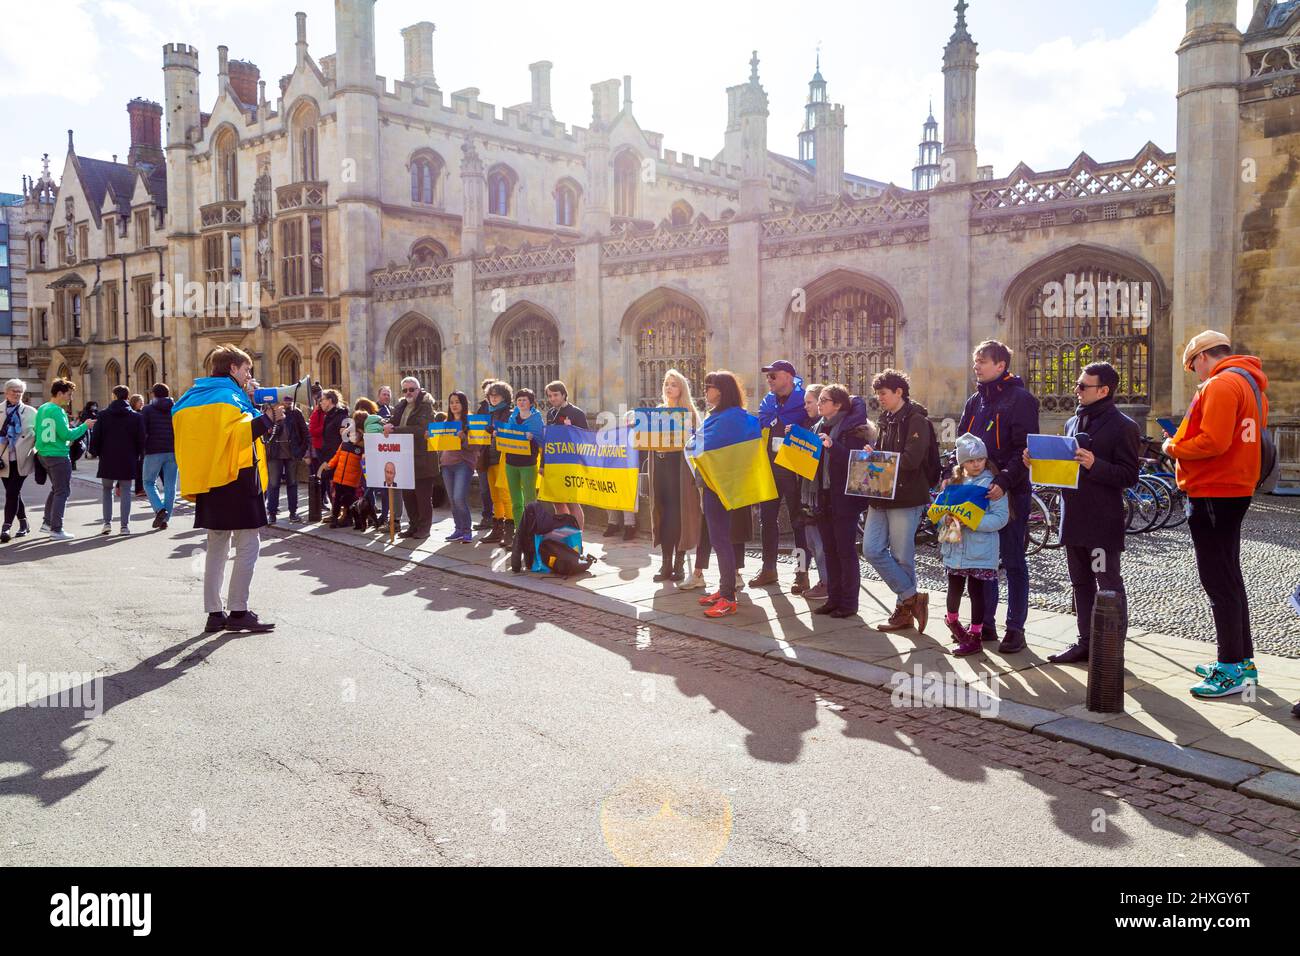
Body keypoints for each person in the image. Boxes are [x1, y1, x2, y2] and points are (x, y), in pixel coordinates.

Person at [1164, 331, 1269, 699]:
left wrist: (1172, 445)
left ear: (1204, 357)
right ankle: (1243, 661)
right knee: (1230, 576)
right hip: (1232, 488)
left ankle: (1229, 668)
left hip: (1213, 489)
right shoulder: (1249, 384)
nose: (1196, 375)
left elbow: (1213, 441)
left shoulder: (1221, 384)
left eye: (1194, 366)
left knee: (1218, 581)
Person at [1027, 361, 1140, 665]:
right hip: (1073, 517)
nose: (1076, 390)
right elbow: (1062, 472)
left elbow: (1130, 475)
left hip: (1102, 521)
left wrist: (1095, 464)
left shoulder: (1124, 426)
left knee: (1108, 584)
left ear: (1104, 390)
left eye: (1082, 386)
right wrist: (1035, 463)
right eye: (1077, 384)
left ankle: (1111, 648)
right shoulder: (1071, 423)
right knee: (1080, 583)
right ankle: (1085, 643)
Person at [172, 344, 283, 633]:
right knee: (248, 544)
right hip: (237, 478)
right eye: (246, 369)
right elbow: (238, 436)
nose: (249, 376)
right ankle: (238, 610)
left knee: (216, 546)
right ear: (233, 368)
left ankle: (213, 613)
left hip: (209, 480)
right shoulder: (229, 397)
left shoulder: (190, 397)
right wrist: (269, 419)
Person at [959, 340, 1040, 653]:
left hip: (1010, 492)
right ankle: (985, 624)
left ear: (1001, 365)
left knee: (1014, 561)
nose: (976, 366)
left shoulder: (1021, 400)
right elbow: (963, 446)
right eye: (976, 360)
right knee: (983, 561)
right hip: (977, 492)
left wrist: (1004, 481)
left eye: (982, 361)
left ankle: (1015, 628)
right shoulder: (974, 401)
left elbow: (1024, 449)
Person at [690, 370, 774, 618]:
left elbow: (704, 448)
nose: (705, 391)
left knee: (721, 540)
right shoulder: (727, 416)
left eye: (709, 386)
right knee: (719, 540)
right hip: (722, 484)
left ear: (722, 391)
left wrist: (692, 441)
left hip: (721, 486)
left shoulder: (728, 419)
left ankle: (728, 597)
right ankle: (725, 587)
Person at [861, 369, 938, 633]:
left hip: (906, 496)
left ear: (899, 392)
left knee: (902, 557)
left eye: (883, 393)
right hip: (881, 494)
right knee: (871, 549)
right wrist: (873, 455)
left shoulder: (916, 420)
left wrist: (881, 460)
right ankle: (911, 596)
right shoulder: (885, 419)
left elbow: (911, 460)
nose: (879, 398)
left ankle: (903, 612)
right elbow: (891, 457)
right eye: (877, 394)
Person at [807, 385, 876, 619]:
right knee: (829, 550)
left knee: (845, 551)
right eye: (820, 400)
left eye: (825, 400)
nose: (820, 404)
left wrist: (832, 445)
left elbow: (857, 462)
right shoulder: (818, 426)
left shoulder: (853, 430)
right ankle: (833, 599)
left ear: (837, 405)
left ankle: (849, 602)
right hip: (824, 497)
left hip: (844, 499)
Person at [940, 434, 1010, 656]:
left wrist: (973, 520)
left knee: (977, 592)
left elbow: (1000, 518)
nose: (977, 464)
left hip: (981, 549)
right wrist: (946, 518)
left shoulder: (992, 485)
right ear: (962, 463)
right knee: (954, 588)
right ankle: (953, 623)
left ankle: (975, 635)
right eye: (971, 461)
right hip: (956, 547)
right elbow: (940, 511)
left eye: (980, 459)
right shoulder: (954, 482)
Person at [752, 360, 809, 591]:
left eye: (773, 376)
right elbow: (762, 420)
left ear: (788, 376)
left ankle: (802, 572)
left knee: (799, 522)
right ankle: (768, 569)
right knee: (767, 520)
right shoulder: (768, 401)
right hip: (770, 466)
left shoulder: (803, 400)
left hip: (794, 468)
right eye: (768, 376)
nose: (769, 380)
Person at [648, 370, 702, 583]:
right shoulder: (657, 411)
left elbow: (698, 445)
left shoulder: (689, 413)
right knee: (661, 514)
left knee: (678, 516)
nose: (669, 388)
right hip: (660, 468)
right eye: (666, 384)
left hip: (679, 470)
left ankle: (679, 563)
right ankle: (665, 563)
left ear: (682, 389)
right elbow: (646, 442)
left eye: (674, 384)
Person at [34, 379, 93, 540]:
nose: (70, 398)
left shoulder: (42, 408)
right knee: (62, 491)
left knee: (56, 489)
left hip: (43, 454)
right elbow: (67, 434)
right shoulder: (57, 411)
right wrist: (84, 426)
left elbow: (36, 431)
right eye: (69, 394)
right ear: (59, 393)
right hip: (58, 455)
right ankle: (56, 529)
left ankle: (48, 523)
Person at [384, 376, 437, 539]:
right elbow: (393, 422)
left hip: (423, 458)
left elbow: (421, 430)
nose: (408, 392)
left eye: (411, 389)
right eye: (405, 390)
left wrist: (396, 430)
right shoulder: (401, 406)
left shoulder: (426, 406)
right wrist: (386, 425)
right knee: (408, 496)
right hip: (404, 458)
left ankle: (424, 528)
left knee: (422, 497)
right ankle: (413, 526)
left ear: (419, 390)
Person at [89, 385, 145, 535]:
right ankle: (124, 526)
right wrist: (138, 455)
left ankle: (107, 523)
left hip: (108, 457)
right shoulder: (136, 417)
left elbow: (96, 437)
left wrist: (95, 452)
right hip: (128, 458)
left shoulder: (103, 415)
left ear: (114, 396)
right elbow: (141, 440)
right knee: (126, 491)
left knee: (107, 490)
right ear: (127, 397)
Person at [794, 383, 830, 600]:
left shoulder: (824, 428)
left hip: (817, 493)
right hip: (806, 492)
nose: (805, 406)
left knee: (820, 543)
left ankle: (827, 582)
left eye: (809, 402)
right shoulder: (809, 425)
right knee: (811, 542)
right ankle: (822, 580)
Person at [544, 381, 589, 531]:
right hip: (553, 463)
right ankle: (563, 533)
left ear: (564, 395)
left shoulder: (577, 413)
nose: (552, 398)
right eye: (550, 396)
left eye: (555, 395)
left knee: (572, 502)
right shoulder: (550, 414)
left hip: (571, 464)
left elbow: (586, 439)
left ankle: (577, 537)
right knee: (557, 502)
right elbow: (547, 441)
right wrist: (543, 465)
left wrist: (571, 430)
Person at [263, 393, 309, 525]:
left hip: (291, 455)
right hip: (274, 454)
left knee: (292, 484)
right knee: (273, 484)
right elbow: (265, 433)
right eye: (287, 401)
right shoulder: (272, 412)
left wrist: (301, 452)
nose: (289, 403)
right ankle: (271, 514)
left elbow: (305, 434)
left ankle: (293, 513)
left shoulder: (296, 413)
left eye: (291, 401)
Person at [1, 379, 37, 542]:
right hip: (3, 461)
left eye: (19, 391)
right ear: (6, 392)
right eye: (13, 390)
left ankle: (6, 527)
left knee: (12, 493)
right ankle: (24, 523)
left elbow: (39, 435)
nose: (16, 394)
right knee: (13, 493)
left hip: (23, 458)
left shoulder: (31, 412)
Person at [505, 388, 545, 534]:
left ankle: (532, 528)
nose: (521, 402)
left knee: (530, 499)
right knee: (516, 500)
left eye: (524, 400)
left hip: (528, 463)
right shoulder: (512, 417)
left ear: (531, 403)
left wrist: (532, 438)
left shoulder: (536, 419)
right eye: (519, 400)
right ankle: (519, 529)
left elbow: (541, 440)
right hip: (511, 463)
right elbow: (507, 437)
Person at [440, 390, 478, 543]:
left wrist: (464, 440)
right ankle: (458, 529)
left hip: (463, 464)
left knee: (459, 498)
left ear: (463, 404)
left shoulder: (471, 423)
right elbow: (439, 445)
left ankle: (467, 530)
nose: (454, 405)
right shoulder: (445, 423)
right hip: (447, 465)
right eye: (451, 402)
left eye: (457, 402)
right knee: (452, 499)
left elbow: (476, 446)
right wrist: (430, 438)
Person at [480, 381, 515, 544]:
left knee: (505, 494)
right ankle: (497, 527)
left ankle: (510, 530)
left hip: (503, 457)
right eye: (491, 395)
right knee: (495, 496)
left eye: (497, 395)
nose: (493, 398)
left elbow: (510, 432)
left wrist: (496, 432)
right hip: (489, 457)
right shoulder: (489, 413)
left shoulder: (509, 413)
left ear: (504, 396)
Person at [141, 383, 178, 530]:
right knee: (170, 486)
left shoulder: (147, 409)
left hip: (153, 450)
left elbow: (143, 430)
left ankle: (160, 509)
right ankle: (165, 519)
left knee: (148, 482)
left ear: (153, 395)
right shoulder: (175, 408)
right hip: (173, 450)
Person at [321, 414, 365, 528]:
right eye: (351, 433)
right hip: (339, 477)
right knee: (337, 501)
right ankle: (334, 518)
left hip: (351, 481)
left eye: (355, 434)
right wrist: (329, 466)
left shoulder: (361, 449)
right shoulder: (344, 444)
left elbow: (363, 464)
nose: (352, 435)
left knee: (350, 502)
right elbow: (336, 457)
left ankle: (354, 520)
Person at [474, 379, 497, 531]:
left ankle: (498, 518)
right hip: (483, 452)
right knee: (484, 488)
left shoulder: (504, 410)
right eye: (486, 391)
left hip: (496, 453)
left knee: (498, 488)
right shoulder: (482, 408)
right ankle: (487, 516)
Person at [128, 393, 147, 498]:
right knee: (138, 467)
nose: (142, 403)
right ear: (134, 403)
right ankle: (139, 489)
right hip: (135, 443)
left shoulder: (142, 413)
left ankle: (140, 488)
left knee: (140, 467)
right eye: (140, 401)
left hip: (141, 443)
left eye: (143, 401)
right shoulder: (134, 414)